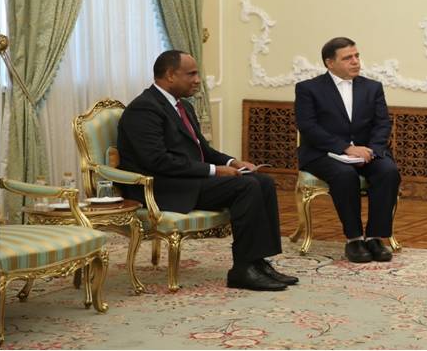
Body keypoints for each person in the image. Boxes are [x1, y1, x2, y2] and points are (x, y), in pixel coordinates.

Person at [117, 50, 297, 291]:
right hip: (162, 186)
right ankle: (243, 269)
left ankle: (258, 262)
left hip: (187, 180)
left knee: (261, 181)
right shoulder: (144, 109)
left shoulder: (184, 106)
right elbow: (157, 161)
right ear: (170, 75)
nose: (198, 80)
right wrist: (214, 171)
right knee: (246, 186)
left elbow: (203, 150)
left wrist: (233, 162)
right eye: (191, 74)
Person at [295, 37, 401, 263]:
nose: (355, 62)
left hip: (366, 151)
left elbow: (382, 124)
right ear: (329, 63)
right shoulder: (308, 89)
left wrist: (371, 151)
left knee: (388, 171)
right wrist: (346, 148)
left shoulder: (372, 87)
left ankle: (375, 237)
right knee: (344, 175)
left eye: (357, 56)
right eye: (347, 58)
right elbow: (308, 127)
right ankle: (354, 239)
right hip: (323, 153)